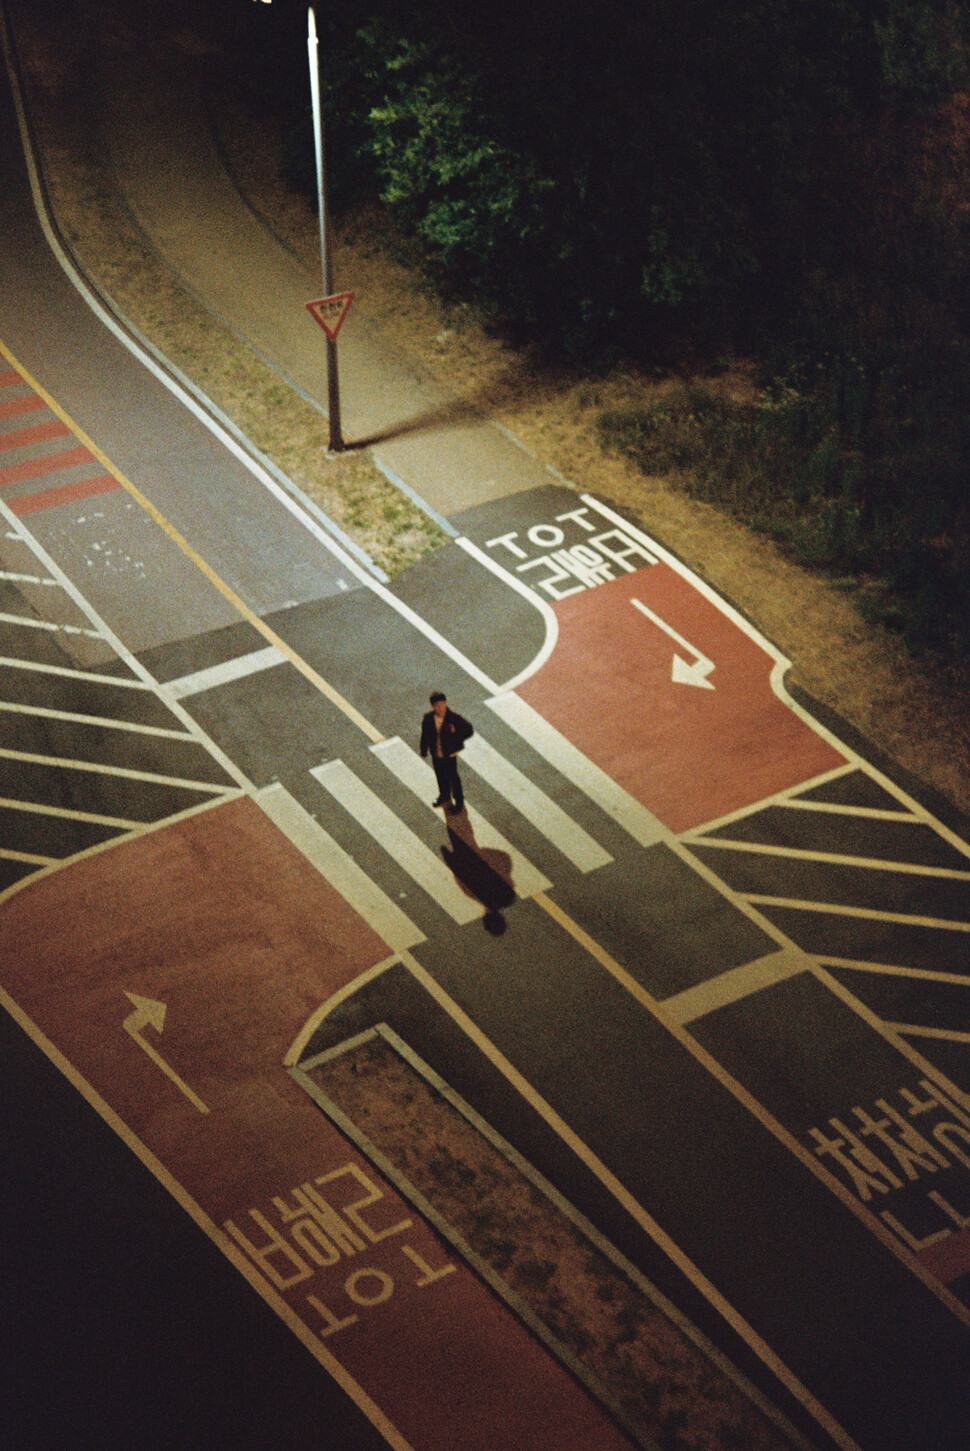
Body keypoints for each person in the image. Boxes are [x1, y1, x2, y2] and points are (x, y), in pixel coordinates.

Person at [419, 691, 473, 813]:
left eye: (442, 704)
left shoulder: (452, 718)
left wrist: (456, 736)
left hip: (449, 754)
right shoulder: (428, 719)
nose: (441, 708)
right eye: (437, 705)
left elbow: (469, 730)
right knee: (440, 776)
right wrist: (423, 751)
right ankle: (444, 796)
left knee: (453, 778)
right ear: (433, 706)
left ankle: (459, 803)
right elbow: (425, 736)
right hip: (436, 754)